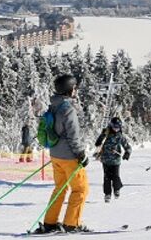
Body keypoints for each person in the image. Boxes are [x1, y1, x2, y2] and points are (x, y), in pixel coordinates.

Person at [36, 74, 90, 235]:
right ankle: (72, 224)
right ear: (69, 89)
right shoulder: (68, 109)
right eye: (74, 88)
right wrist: (81, 153)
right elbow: (73, 136)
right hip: (69, 157)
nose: (76, 90)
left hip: (55, 155)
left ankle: (50, 222)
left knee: (60, 188)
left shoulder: (53, 106)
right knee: (81, 189)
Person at [94, 117, 132, 203]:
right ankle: (107, 194)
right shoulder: (106, 133)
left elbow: (127, 146)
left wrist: (127, 153)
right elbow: (98, 143)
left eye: (118, 127)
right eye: (115, 126)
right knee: (107, 177)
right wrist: (101, 137)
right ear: (111, 126)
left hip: (115, 160)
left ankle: (117, 189)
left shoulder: (120, 136)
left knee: (115, 176)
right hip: (106, 159)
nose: (116, 129)